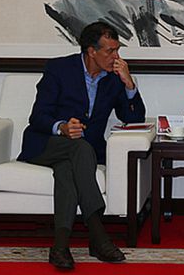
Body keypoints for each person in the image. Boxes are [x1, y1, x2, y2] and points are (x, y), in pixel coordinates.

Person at [17, 21, 146, 270]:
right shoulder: (59, 69)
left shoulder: (114, 78)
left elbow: (134, 119)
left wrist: (129, 84)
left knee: (67, 169)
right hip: (46, 144)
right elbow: (38, 116)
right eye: (110, 51)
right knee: (80, 148)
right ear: (91, 51)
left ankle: (60, 247)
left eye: (118, 50)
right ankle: (98, 236)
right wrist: (62, 127)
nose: (116, 56)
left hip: (79, 153)